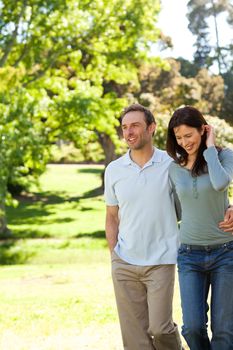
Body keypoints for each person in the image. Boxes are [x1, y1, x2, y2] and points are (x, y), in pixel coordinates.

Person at [104, 103, 233, 350]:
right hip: (150, 258)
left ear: (151, 128)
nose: (129, 132)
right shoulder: (122, 169)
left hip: (191, 255)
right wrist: (114, 256)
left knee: (177, 330)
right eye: (124, 127)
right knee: (159, 335)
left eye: (135, 126)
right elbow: (112, 215)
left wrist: (230, 206)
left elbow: (213, 189)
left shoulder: (182, 161)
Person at [166, 105, 233, 350]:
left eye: (189, 135)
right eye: (179, 137)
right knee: (192, 328)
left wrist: (211, 148)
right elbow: (175, 208)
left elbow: (220, 183)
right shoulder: (174, 168)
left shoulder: (223, 156)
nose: (184, 142)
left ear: (202, 130)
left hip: (225, 252)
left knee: (224, 332)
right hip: (189, 255)